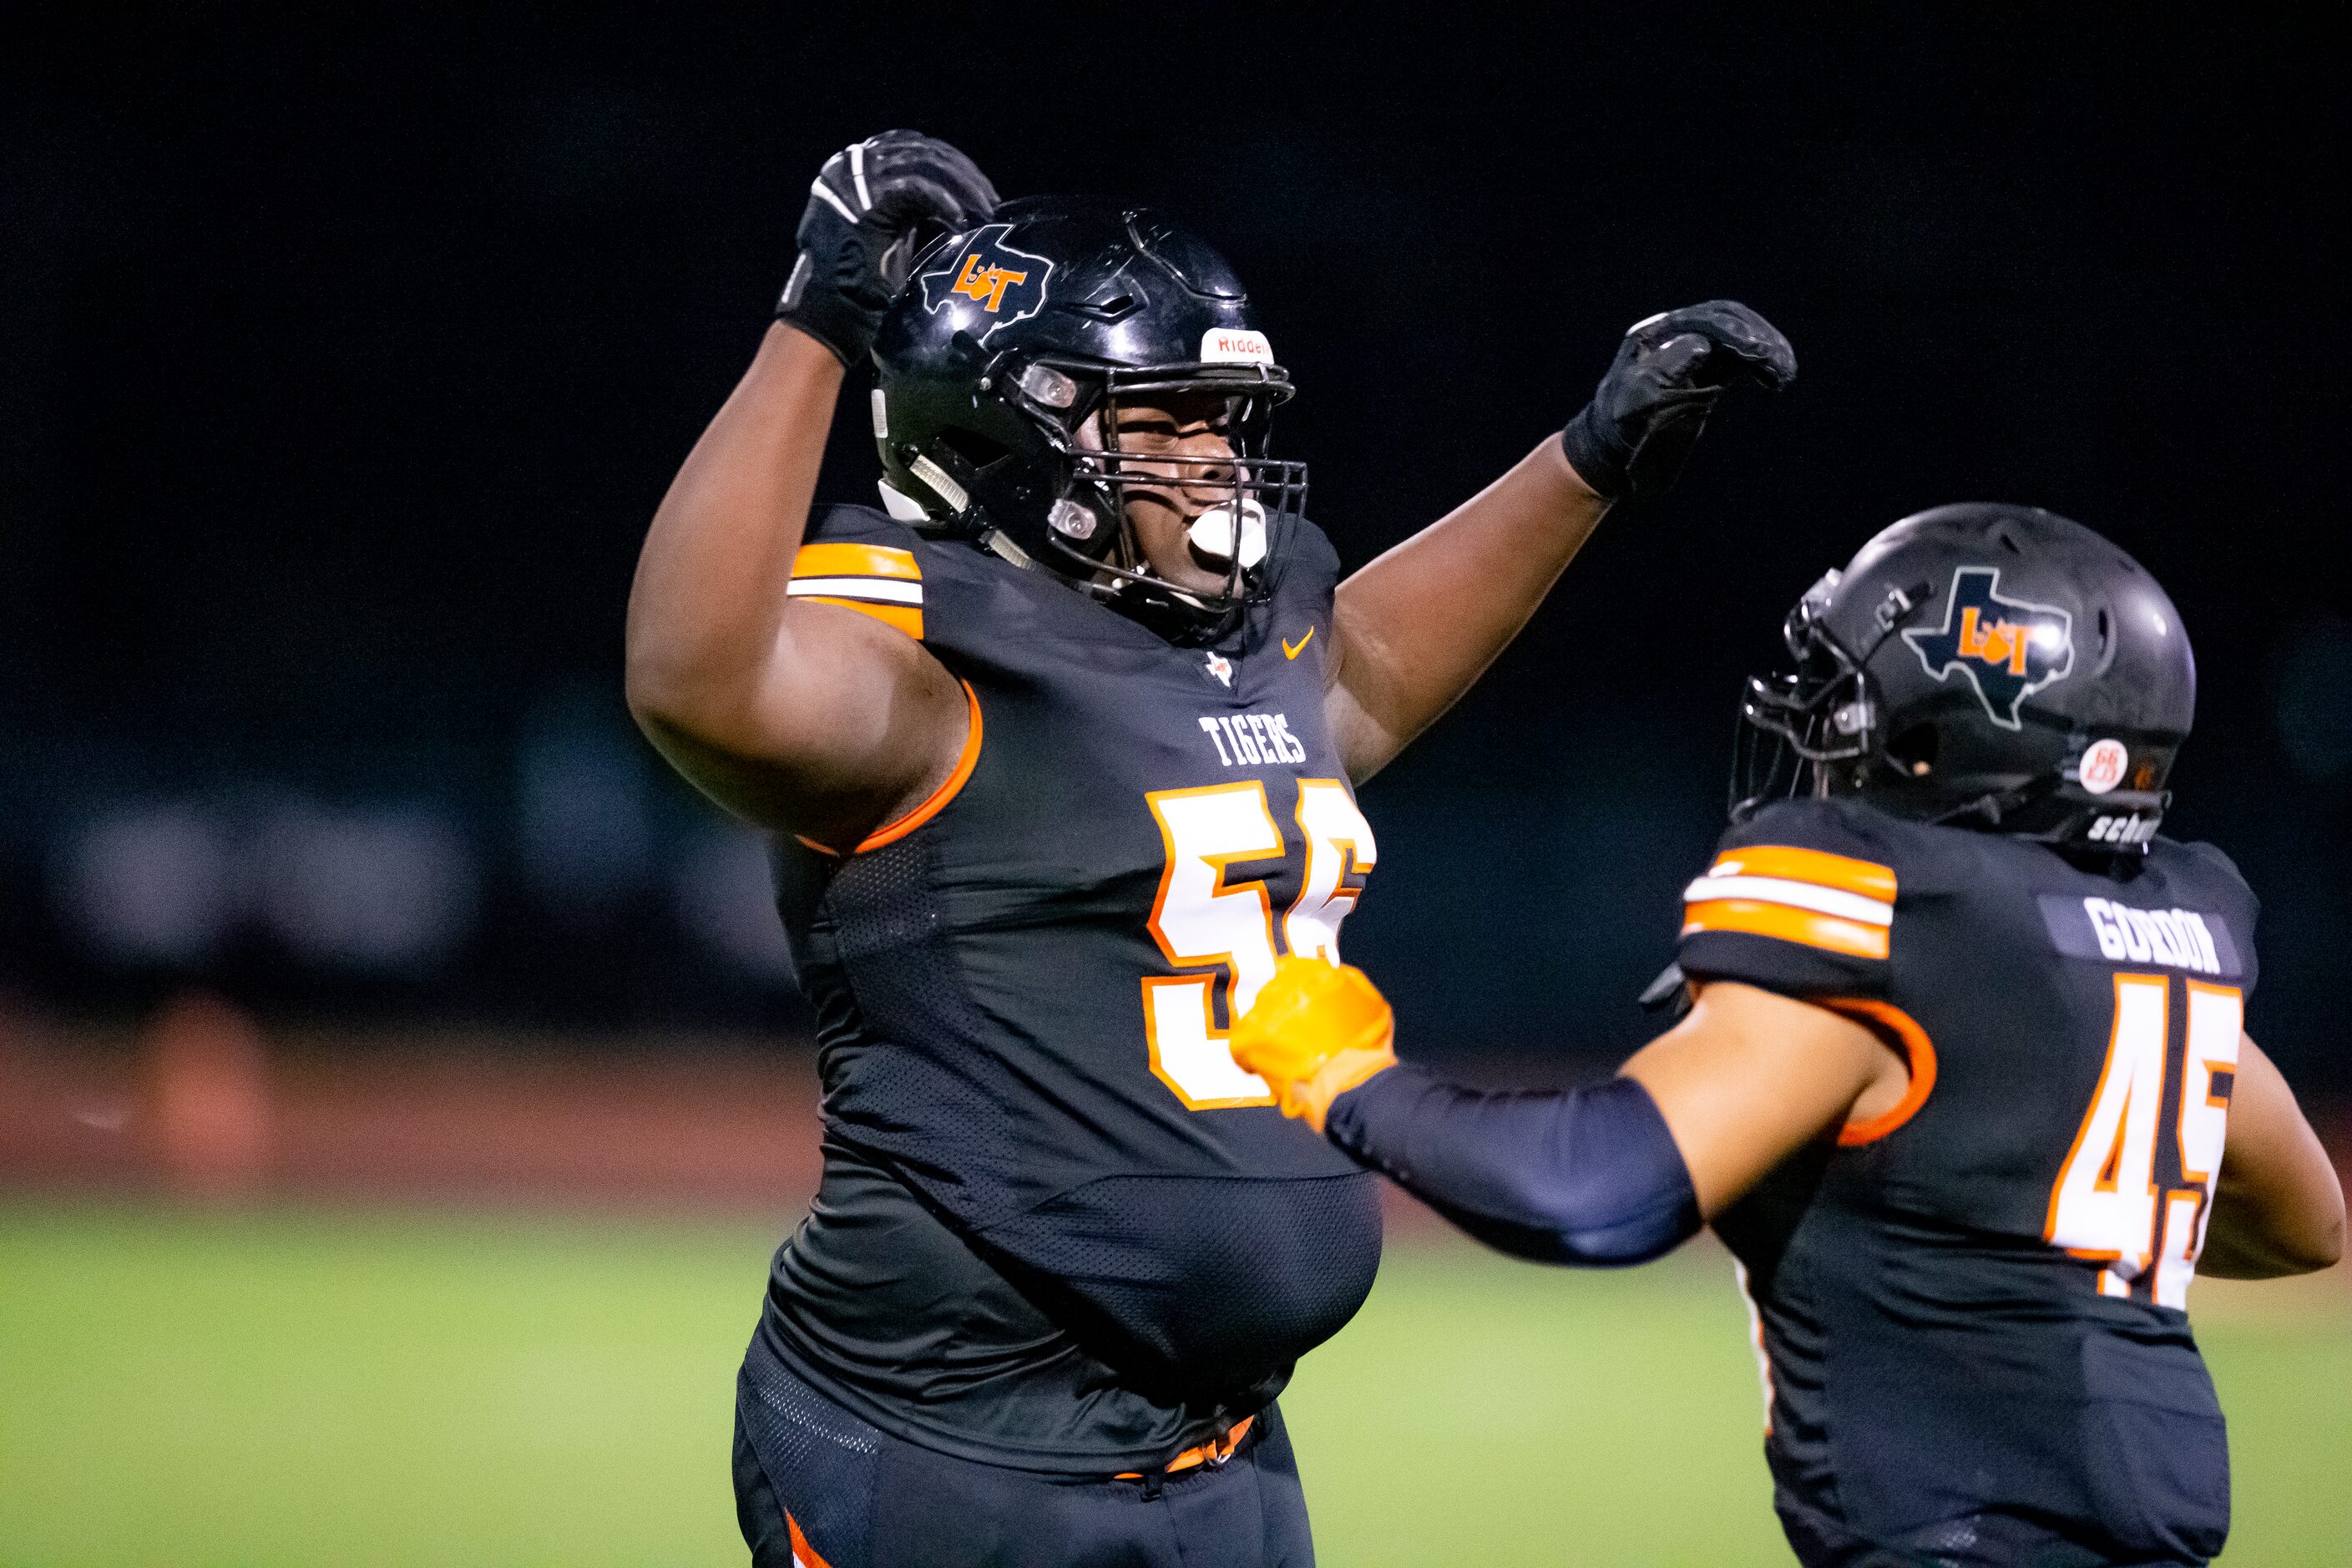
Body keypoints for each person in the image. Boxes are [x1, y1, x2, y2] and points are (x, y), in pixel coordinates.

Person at [625, 129, 1793, 1567]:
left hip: (1223, 1442)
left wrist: (1587, 459)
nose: (1215, 460)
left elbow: (1356, 676)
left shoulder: (1231, 638)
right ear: (1009, 436)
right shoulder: (930, 660)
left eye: (1223, 419)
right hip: (958, 1456)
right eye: (1163, 420)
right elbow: (694, 677)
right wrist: (818, 318)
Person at [1233, 502, 2344, 1568]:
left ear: (1954, 741)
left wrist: (1345, 1076)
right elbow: (2305, 1221)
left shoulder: (1903, 929)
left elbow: (1598, 1188)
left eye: (1866, 714)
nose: (1830, 742)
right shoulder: (2150, 952)